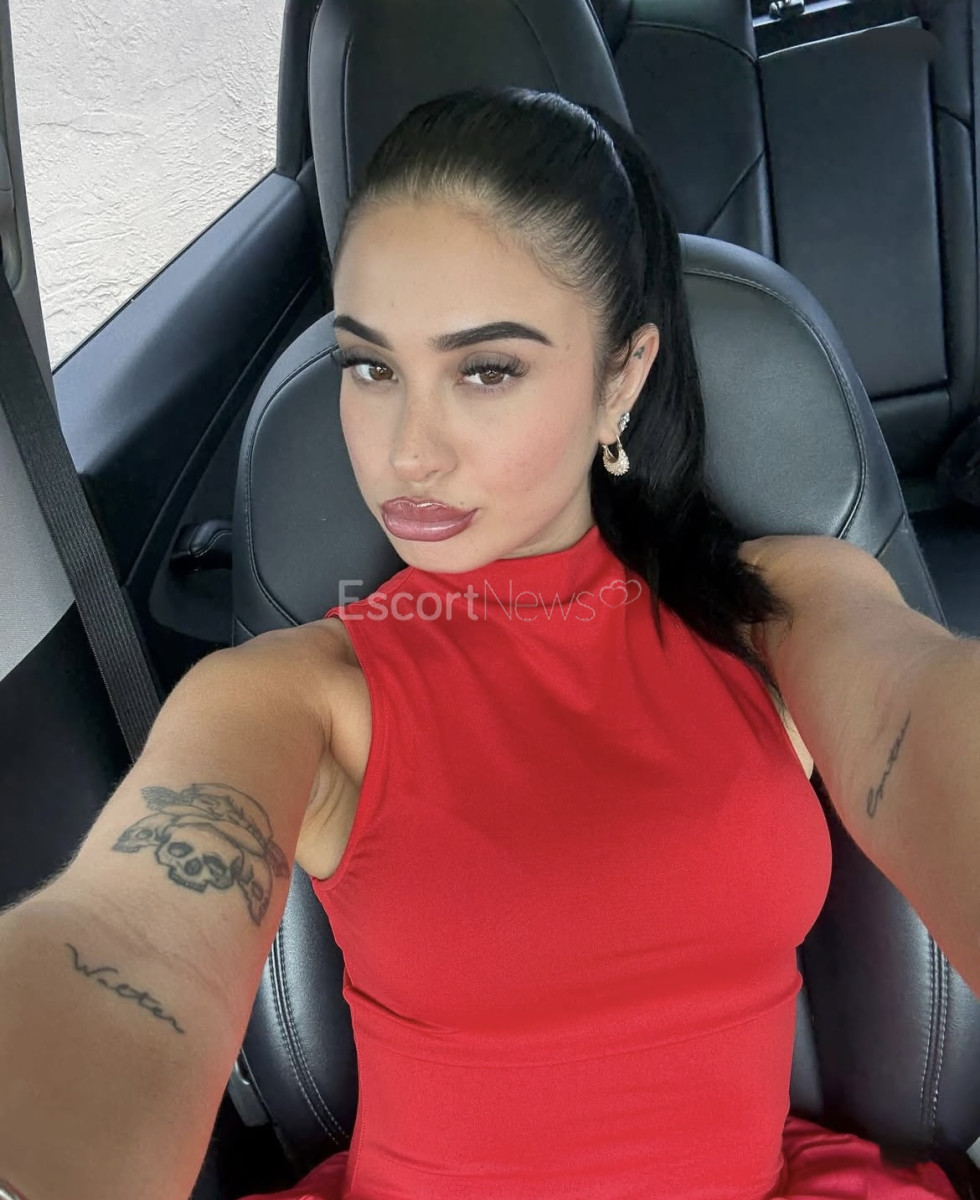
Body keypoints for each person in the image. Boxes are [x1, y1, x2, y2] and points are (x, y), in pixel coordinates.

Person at [0, 88, 978, 1200]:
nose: (406, 452)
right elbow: (132, 941)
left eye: (486, 369)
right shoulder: (294, 695)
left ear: (622, 376)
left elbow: (921, 721)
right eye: (370, 367)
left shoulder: (777, 612)